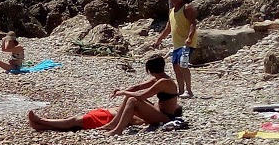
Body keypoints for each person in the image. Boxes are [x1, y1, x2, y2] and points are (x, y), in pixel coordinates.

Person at [25, 55, 183, 134]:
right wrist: (124, 90)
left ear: (151, 69)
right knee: (130, 97)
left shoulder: (165, 82)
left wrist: (122, 92)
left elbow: (142, 95)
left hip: (163, 117)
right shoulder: (159, 78)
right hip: (156, 113)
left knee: (133, 100)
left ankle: (117, 129)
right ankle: (114, 125)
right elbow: (139, 86)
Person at [151, 0, 198, 98]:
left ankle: (189, 91)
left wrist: (190, 37)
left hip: (186, 43)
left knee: (183, 65)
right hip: (177, 44)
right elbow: (168, 28)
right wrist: (159, 39)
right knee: (176, 67)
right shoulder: (171, 11)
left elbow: (193, 24)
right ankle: (181, 91)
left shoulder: (187, 8)